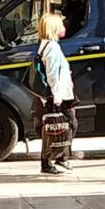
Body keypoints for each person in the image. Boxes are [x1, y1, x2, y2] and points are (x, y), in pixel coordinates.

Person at [36, 13, 77, 175]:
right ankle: (53, 160)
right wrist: (57, 95)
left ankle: (59, 157)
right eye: (61, 25)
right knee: (67, 125)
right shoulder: (51, 47)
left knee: (56, 126)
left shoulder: (47, 45)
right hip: (59, 95)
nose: (64, 28)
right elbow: (53, 73)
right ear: (54, 28)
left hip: (60, 93)